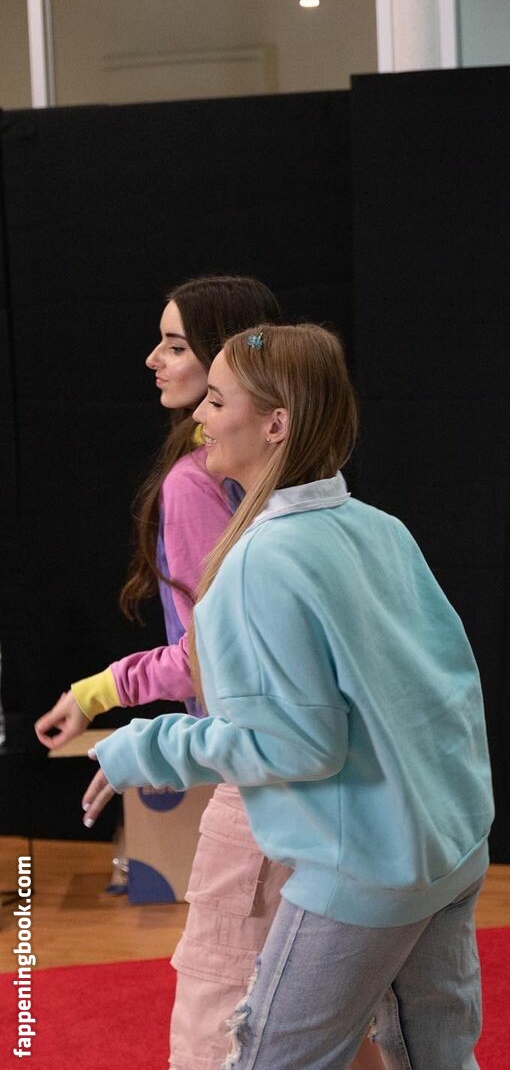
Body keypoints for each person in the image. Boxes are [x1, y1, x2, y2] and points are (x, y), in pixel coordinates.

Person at [83, 323, 495, 1069]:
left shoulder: (265, 559)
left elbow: (294, 744)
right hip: (449, 853)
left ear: (276, 424)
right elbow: (451, 694)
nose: (200, 416)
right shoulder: (379, 529)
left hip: (370, 872)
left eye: (216, 400)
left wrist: (143, 746)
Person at [33, 275, 294, 1070]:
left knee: (218, 1016)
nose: (153, 359)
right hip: (320, 778)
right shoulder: (297, 476)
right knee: (321, 1010)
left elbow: (207, 660)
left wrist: (96, 695)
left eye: (176, 346)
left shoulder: (196, 480)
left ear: (231, 363)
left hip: (262, 775)